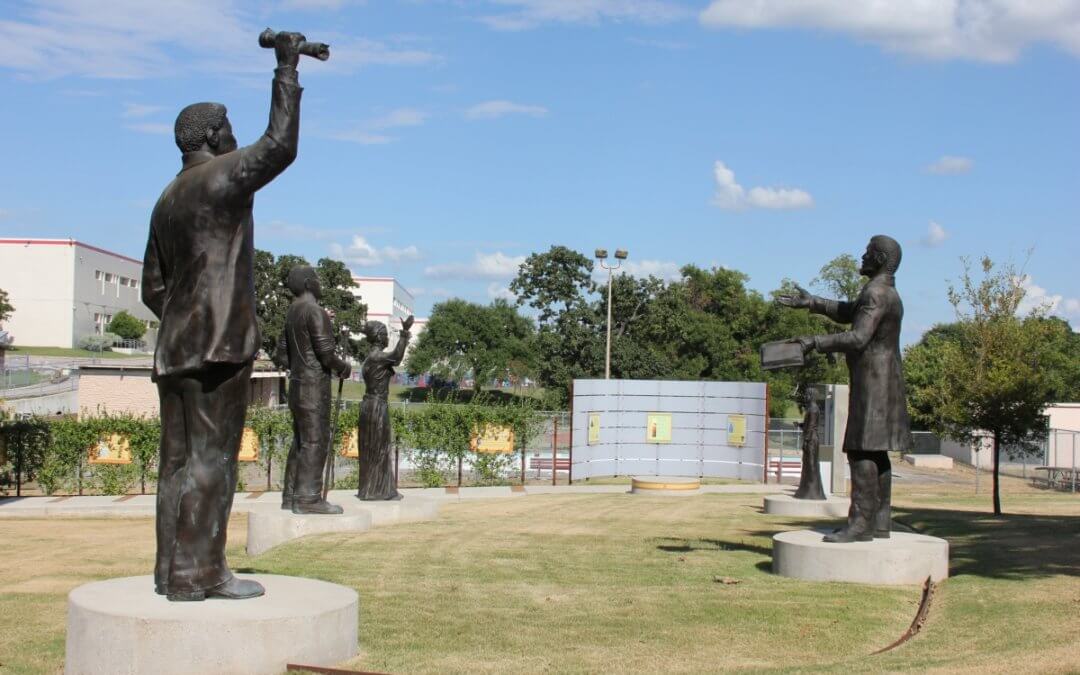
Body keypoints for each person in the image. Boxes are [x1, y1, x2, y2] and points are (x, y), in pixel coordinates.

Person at [141, 32, 309, 601]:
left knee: (176, 463)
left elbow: (152, 288)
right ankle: (200, 573)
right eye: (228, 127)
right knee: (212, 459)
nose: (235, 135)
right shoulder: (221, 178)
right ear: (214, 135)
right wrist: (286, 65)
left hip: (175, 349)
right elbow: (280, 145)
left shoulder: (166, 198)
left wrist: (184, 319)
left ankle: (170, 570)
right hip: (217, 346)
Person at [778, 235, 912, 543]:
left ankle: (860, 524)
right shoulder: (887, 292)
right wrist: (813, 302)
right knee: (876, 452)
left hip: (873, 382)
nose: (861, 257)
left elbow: (858, 337)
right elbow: (852, 310)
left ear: (879, 259)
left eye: (867, 254)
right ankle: (879, 522)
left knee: (861, 448)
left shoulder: (876, 292)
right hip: (887, 379)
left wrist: (814, 341)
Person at [274, 266, 351, 514]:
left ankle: (291, 496)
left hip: (296, 384)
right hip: (313, 386)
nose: (319, 284)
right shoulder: (315, 312)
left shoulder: (291, 313)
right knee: (316, 441)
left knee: (300, 441)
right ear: (308, 283)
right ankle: (308, 498)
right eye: (316, 280)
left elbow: (280, 355)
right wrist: (343, 367)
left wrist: (299, 365)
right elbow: (326, 353)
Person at [356, 317, 413, 500]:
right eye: (386, 334)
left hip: (369, 405)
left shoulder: (369, 358)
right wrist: (404, 333)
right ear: (379, 337)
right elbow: (396, 357)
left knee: (373, 448)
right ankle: (378, 491)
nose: (388, 338)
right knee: (378, 448)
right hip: (376, 407)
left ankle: (374, 489)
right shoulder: (377, 357)